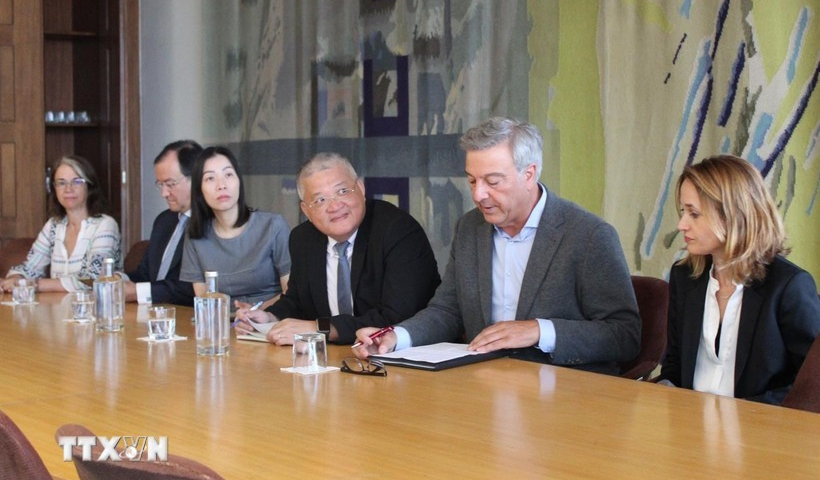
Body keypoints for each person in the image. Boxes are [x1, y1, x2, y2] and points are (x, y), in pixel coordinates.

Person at [352, 118, 640, 374]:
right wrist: (395, 337)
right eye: (472, 180)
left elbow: (624, 335)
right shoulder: (470, 228)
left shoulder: (588, 235)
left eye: (493, 181)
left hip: (566, 394)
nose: (479, 195)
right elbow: (448, 311)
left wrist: (540, 330)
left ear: (529, 174)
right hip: (483, 386)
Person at [659, 155, 820, 404]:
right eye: (683, 211)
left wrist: (748, 414)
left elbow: (811, 386)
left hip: (760, 431)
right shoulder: (685, 277)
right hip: (688, 425)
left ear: (732, 215)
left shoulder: (789, 286)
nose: (682, 224)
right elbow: (674, 365)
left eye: (694, 214)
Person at [234, 153, 441, 345]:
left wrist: (321, 329)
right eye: (320, 200)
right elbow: (298, 299)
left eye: (342, 191)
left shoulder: (397, 230)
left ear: (361, 188)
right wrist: (270, 317)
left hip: (403, 359)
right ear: (306, 209)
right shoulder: (303, 238)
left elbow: (399, 316)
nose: (334, 206)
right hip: (336, 359)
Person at [180, 146, 290, 308]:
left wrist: (257, 312)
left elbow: (291, 293)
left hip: (271, 320)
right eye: (210, 178)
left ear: (239, 181)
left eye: (228, 174)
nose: (221, 185)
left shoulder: (273, 226)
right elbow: (204, 301)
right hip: (221, 324)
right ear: (199, 190)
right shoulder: (195, 234)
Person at [1, 156, 121, 293]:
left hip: (96, 310)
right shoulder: (53, 225)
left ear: (89, 186)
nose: (68, 189)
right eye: (61, 183)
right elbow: (30, 268)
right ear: (54, 188)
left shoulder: (105, 225)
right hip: (57, 308)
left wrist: (32, 284)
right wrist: (17, 278)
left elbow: (93, 280)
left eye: (76, 182)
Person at [123, 140, 202, 305]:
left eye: (170, 184)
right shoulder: (164, 221)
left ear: (196, 178)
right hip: (153, 318)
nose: (164, 193)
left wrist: (136, 292)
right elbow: (145, 276)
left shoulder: (212, 224)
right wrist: (119, 280)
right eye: (160, 184)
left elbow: (191, 288)